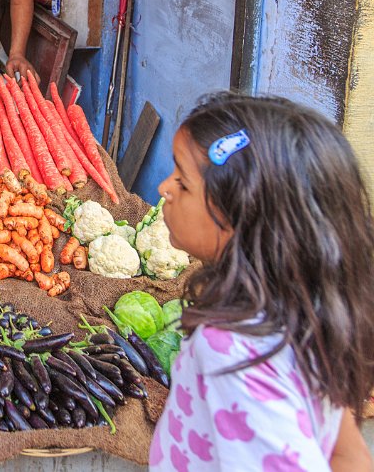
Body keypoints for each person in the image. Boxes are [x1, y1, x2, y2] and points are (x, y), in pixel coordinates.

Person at [150, 92, 374, 471]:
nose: (164, 188)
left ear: (242, 220)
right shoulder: (305, 315)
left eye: (183, 183)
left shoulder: (232, 353)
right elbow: (345, 453)